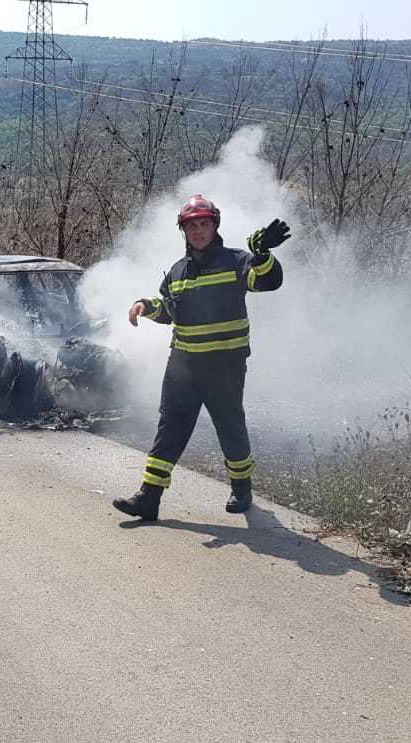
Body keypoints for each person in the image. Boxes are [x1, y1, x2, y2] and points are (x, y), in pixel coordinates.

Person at [112, 195, 290, 522]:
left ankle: (241, 488)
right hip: (183, 367)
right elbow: (170, 310)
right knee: (170, 429)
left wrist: (262, 254)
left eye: (204, 224)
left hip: (224, 368)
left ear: (214, 226)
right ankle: (149, 499)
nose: (198, 231)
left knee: (229, 427)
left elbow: (268, 282)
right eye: (191, 226)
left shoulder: (237, 261)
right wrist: (145, 306)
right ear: (184, 231)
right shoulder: (177, 273)